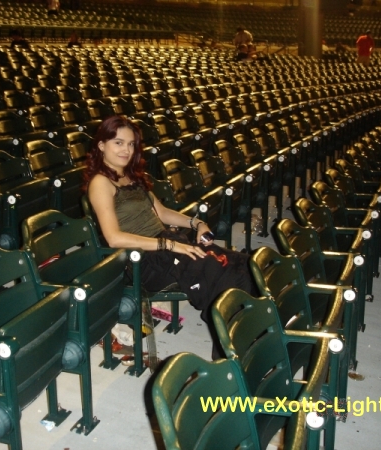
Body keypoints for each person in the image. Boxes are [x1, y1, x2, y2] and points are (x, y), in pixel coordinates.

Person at [84, 116, 256, 358]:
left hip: (166, 245)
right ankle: (229, 355)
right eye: (118, 143)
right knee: (217, 274)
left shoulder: (131, 177)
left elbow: (162, 212)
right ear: (101, 145)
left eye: (131, 144)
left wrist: (198, 222)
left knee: (240, 263)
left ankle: (254, 330)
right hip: (142, 261)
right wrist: (169, 244)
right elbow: (113, 238)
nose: (126, 150)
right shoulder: (101, 183)